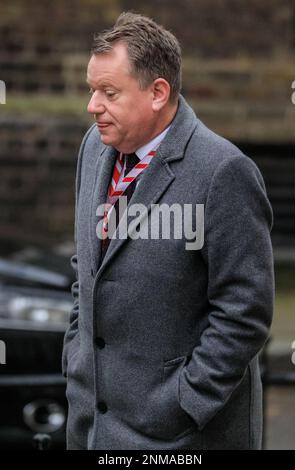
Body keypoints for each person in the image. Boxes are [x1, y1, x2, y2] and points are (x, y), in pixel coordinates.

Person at [61, 12, 274, 450]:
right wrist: (75, 360)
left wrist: (184, 402)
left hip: (180, 439)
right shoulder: (93, 146)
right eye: (91, 90)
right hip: (91, 427)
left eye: (109, 92)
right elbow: (87, 266)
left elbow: (245, 311)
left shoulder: (223, 171)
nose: (92, 106)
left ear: (158, 92)